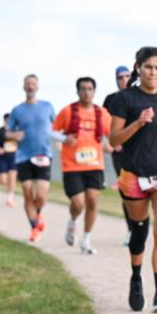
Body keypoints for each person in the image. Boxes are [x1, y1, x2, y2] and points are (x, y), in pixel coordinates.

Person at [108, 47, 157, 314]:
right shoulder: (124, 99)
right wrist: (138, 123)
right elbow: (114, 140)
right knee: (139, 233)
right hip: (134, 176)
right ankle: (136, 277)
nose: (153, 72)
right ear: (138, 68)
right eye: (149, 67)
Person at [54, 76, 112, 254]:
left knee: (93, 201)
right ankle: (72, 221)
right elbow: (52, 131)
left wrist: (117, 145)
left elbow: (114, 132)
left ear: (94, 92)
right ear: (77, 91)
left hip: (95, 164)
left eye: (89, 89)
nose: (86, 92)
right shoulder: (68, 111)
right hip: (72, 165)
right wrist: (65, 138)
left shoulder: (101, 113)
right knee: (78, 203)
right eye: (83, 89)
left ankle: (86, 240)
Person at [7, 74, 58, 242]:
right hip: (23, 156)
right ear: (23, 87)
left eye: (33, 84)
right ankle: (35, 227)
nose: (30, 86)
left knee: (41, 195)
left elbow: (57, 127)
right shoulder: (17, 110)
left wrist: (61, 142)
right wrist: (14, 134)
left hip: (43, 154)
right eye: (28, 84)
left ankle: (38, 216)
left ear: (37, 86)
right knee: (28, 193)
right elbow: (7, 132)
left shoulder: (47, 106)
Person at [103, 65, 136, 246]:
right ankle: (131, 230)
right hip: (120, 152)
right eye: (120, 77)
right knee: (127, 192)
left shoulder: (139, 95)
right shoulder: (111, 99)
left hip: (139, 151)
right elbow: (103, 122)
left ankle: (142, 227)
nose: (124, 80)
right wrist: (108, 143)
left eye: (126, 76)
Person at [0, 111, 19, 207]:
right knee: (3, 180)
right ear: (5, 120)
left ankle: (10, 199)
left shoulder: (16, 131)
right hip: (2, 157)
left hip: (14, 157)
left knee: (12, 177)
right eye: (8, 120)